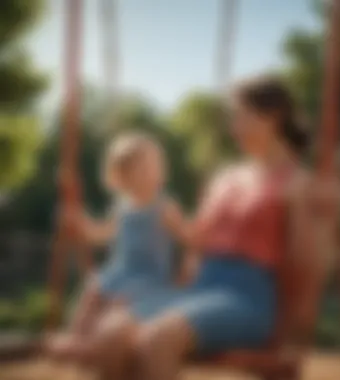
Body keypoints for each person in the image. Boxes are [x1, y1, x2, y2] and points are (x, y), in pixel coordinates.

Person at [56, 76, 325, 379]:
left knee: (158, 340)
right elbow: (197, 242)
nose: (233, 127)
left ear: (272, 117)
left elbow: (306, 267)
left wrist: (294, 337)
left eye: (240, 116)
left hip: (247, 297)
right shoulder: (226, 178)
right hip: (199, 291)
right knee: (110, 333)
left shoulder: (299, 184)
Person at [47, 132, 189, 356]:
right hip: (121, 271)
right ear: (124, 177)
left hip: (149, 277)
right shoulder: (122, 207)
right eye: (142, 169)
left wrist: (186, 273)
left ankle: (99, 344)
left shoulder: (164, 207)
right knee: (93, 289)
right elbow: (102, 234)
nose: (153, 173)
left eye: (155, 166)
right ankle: (77, 335)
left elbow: (185, 236)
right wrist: (80, 223)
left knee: (119, 304)